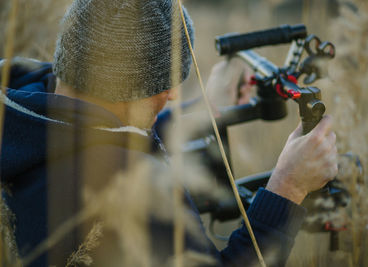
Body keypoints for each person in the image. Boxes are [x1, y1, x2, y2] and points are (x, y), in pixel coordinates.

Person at [0, 0, 338, 266]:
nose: (173, 95)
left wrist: (196, 114)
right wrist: (287, 188)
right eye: (165, 83)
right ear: (127, 83)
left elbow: (91, 129)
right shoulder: (131, 180)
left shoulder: (21, 103)